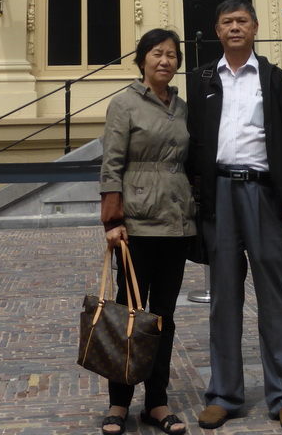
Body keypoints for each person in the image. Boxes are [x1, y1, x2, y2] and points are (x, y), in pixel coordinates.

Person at [187, 0, 282, 432]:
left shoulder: (275, 80)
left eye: (241, 20)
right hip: (219, 194)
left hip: (262, 194)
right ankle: (224, 394)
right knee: (223, 298)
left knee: (274, 295)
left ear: (256, 27)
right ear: (217, 30)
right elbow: (193, 144)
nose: (234, 27)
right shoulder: (202, 79)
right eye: (226, 22)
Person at [99, 28, 195, 435]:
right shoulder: (124, 104)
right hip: (136, 224)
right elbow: (111, 162)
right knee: (129, 314)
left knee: (165, 317)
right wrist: (113, 220)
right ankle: (119, 403)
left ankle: (156, 401)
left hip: (175, 222)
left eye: (172, 55)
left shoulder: (183, 108)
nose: (165, 61)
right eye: (157, 53)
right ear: (141, 60)